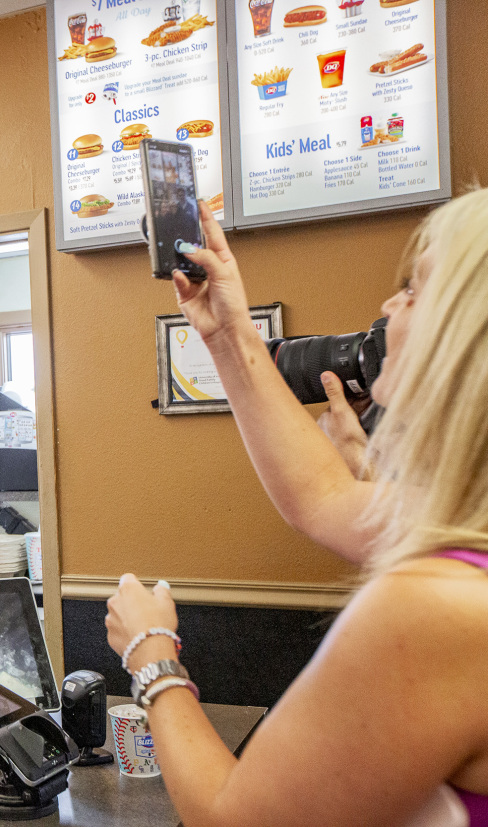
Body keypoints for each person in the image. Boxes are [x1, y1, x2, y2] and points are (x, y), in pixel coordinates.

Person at [105, 193, 488, 826]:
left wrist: (152, 658)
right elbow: (324, 497)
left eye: (415, 292)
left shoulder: (438, 608)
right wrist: (226, 329)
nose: (389, 308)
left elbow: (233, 820)